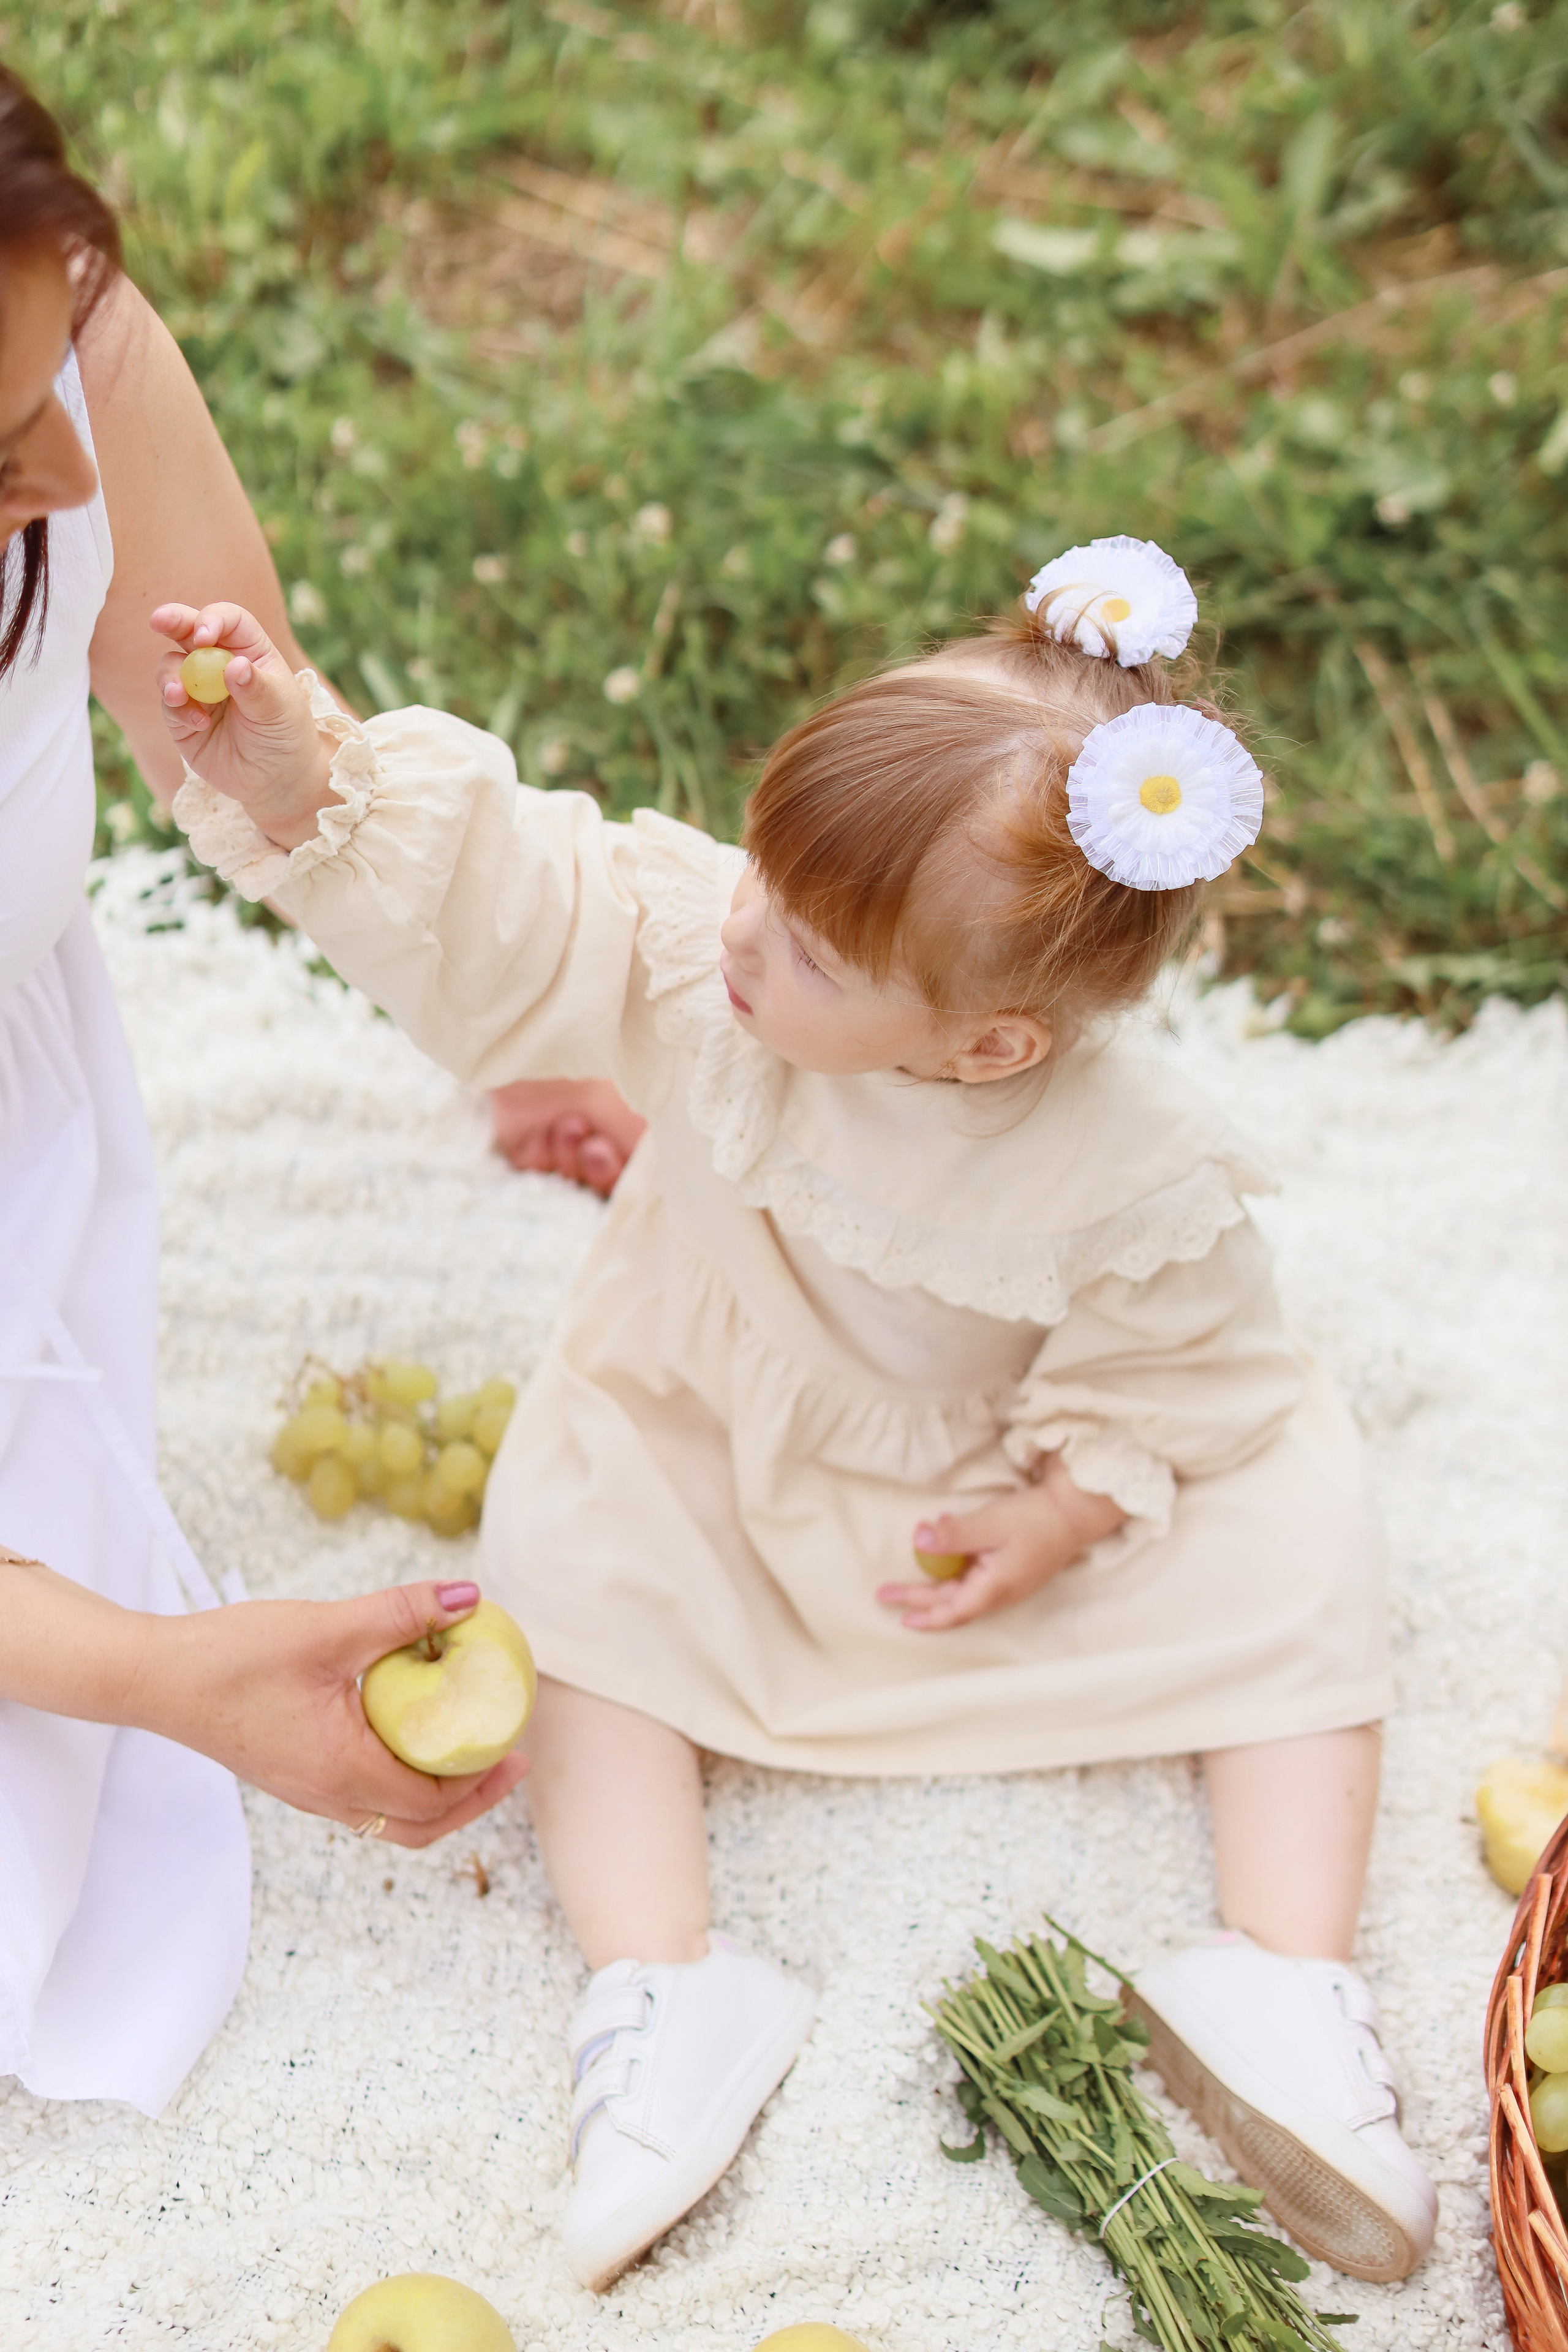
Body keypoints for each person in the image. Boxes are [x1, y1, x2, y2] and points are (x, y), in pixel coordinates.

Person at [154, 535, 1438, 2292]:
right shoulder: (707, 961)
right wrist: (318, 781)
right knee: (569, 1557)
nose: (749, 933)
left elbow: (1183, 1359)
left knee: (1300, 1539)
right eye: (760, 872)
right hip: (718, 1424)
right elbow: (524, 896)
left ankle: (1284, 1972)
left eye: (821, 952)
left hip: (985, 1466)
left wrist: (1065, 1505)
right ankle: (667, 1980)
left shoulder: (1133, 1163)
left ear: (987, 1048)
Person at [0, 67, 526, 2121]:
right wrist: (168, 1678)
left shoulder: (48, 323)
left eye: (60, 360)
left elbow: (253, 741)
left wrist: (558, 1014)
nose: (62, 460)